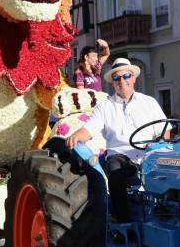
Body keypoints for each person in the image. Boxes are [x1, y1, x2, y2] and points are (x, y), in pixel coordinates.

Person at [66, 58, 168, 222]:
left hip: (150, 154)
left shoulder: (149, 102)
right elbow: (89, 129)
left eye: (126, 76)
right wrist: (77, 135)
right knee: (115, 169)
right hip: (120, 156)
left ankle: (166, 214)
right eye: (117, 78)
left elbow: (164, 132)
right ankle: (122, 220)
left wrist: (157, 144)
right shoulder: (105, 106)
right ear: (113, 83)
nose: (122, 81)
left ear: (134, 77)